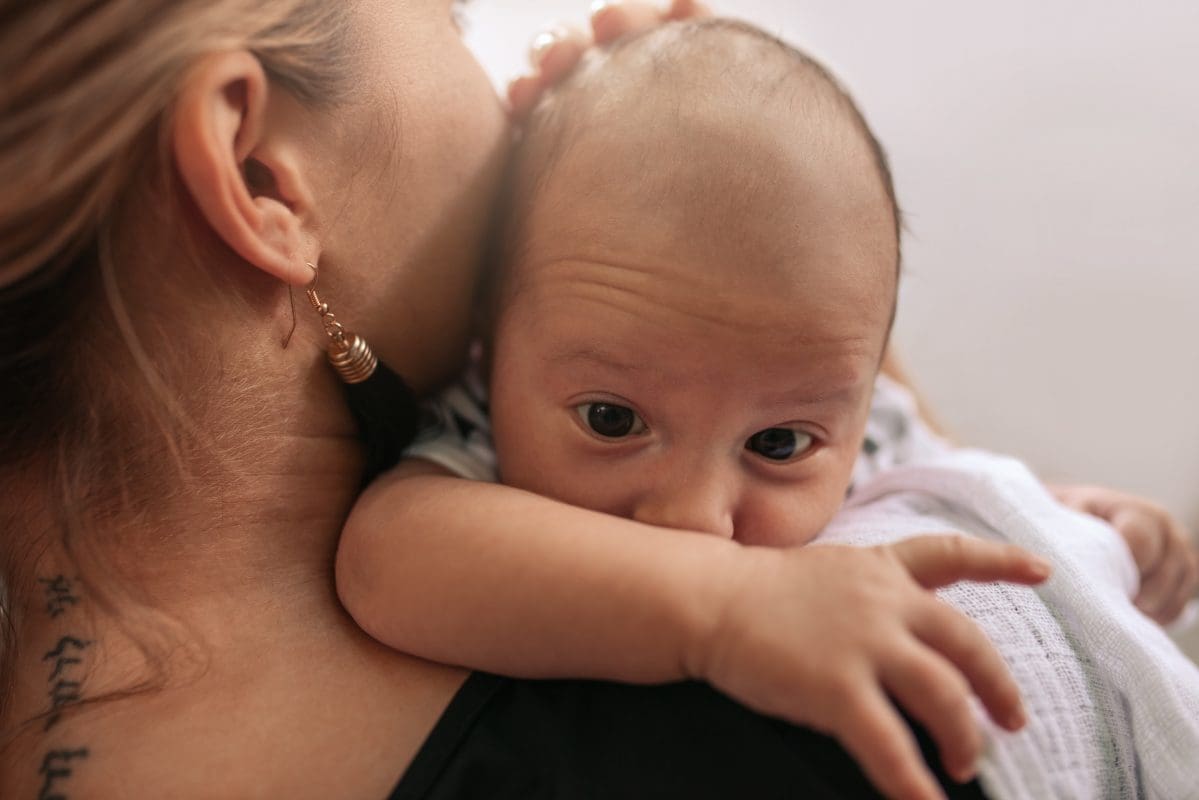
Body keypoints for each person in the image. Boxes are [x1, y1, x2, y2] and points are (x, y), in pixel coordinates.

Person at [0, 2, 1190, 800]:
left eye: (777, 441)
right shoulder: (798, 712)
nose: (695, 523)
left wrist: (733, 203)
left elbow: (864, 434)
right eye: (446, 14)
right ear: (263, 175)